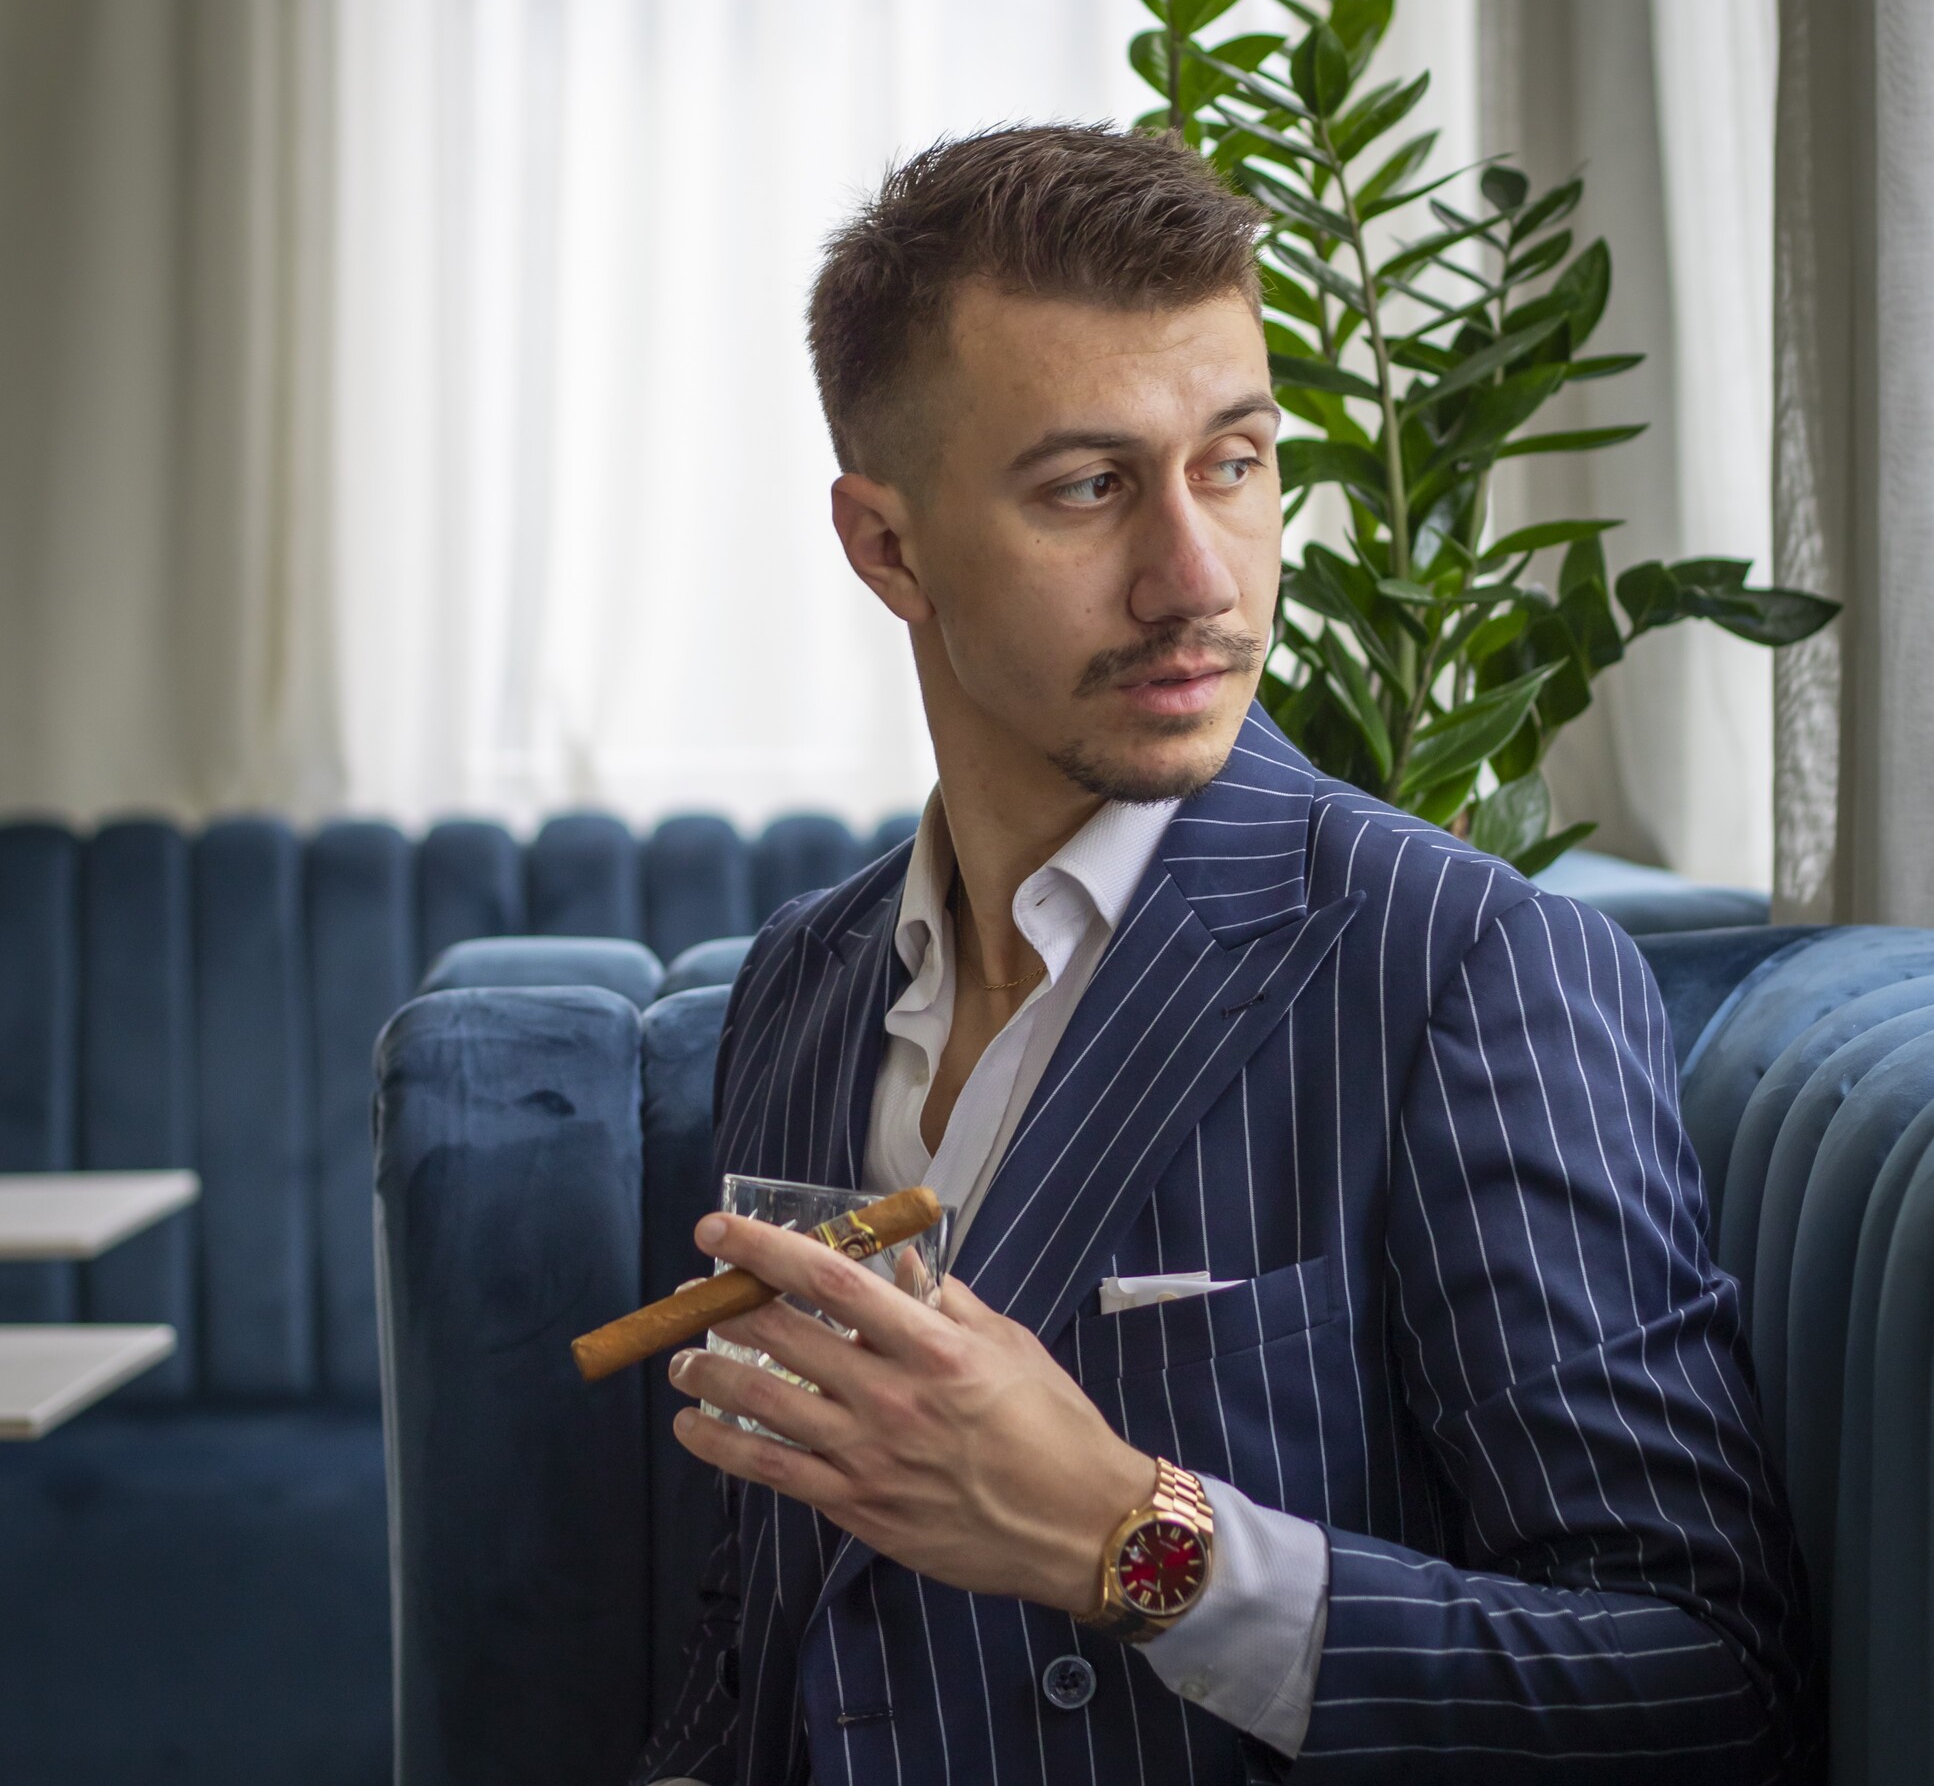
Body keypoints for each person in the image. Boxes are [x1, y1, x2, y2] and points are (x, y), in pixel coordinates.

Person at [637, 124, 1813, 1785]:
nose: (1195, 577)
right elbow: (759, 1625)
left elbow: (1700, 1684)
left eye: (1236, 463)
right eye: (1089, 486)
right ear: (884, 545)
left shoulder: (1458, 966)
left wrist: (1129, 1535)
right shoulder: (801, 986)